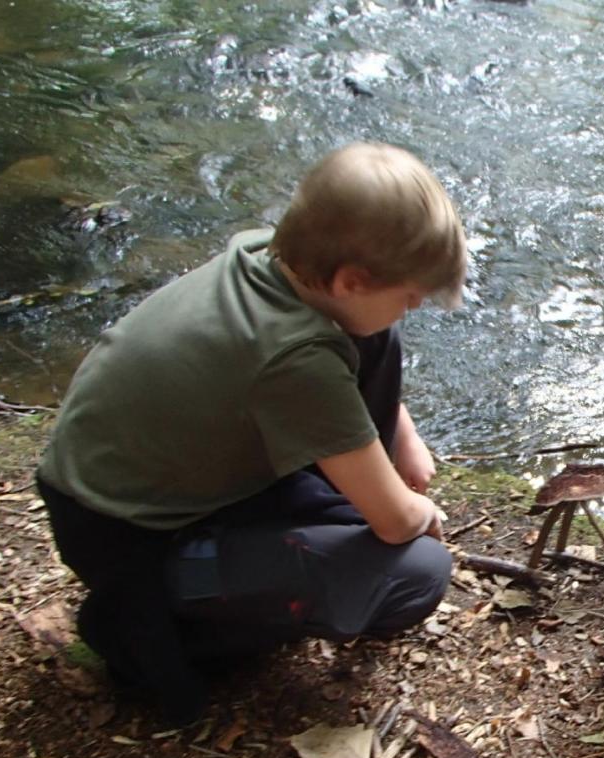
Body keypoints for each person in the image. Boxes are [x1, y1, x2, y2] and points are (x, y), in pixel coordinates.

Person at [36, 142, 467, 725]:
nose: (413, 307)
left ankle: (228, 572)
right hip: (130, 540)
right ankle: (145, 628)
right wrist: (417, 509)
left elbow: (356, 342)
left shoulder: (274, 258)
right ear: (350, 279)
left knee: (376, 335)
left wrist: (401, 435)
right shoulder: (296, 358)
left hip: (125, 487)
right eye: (411, 297)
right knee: (417, 573)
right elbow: (396, 521)